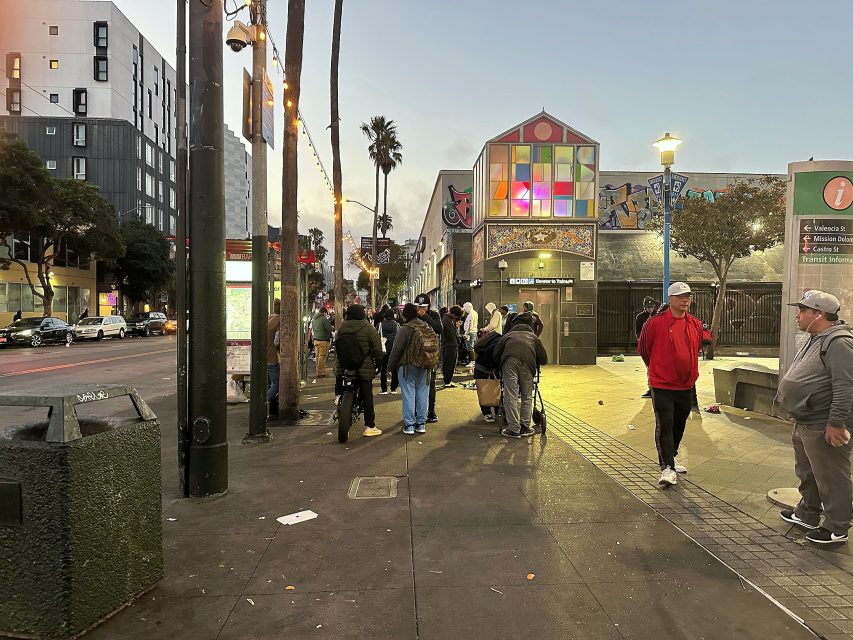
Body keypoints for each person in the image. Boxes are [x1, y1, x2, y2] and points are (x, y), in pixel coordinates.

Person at [778, 290, 853, 544]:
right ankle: (807, 512)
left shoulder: (839, 342)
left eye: (802, 311)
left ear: (819, 314)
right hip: (806, 420)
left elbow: (845, 387)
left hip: (824, 422)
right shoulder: (816, 337)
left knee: (832, 475)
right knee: (808, 471)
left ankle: (837, 526)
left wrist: (836, 424)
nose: (797, 316)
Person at [638, 282, 702, 487]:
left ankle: (671, 457)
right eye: (681, 296)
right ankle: (667, 467)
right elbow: (644, 349)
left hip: (686, 385)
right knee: (665, 425)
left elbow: (695, 347)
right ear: (670, 299)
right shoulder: (655, 323)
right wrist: (656, 369)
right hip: (662, 384)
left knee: (679, 424)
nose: (686, 300)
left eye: (688, 297)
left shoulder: (694, 324)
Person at [493, 313, 548, 438]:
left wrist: (497, 369)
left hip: (509, 363)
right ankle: (525, 426)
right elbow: (544, 359)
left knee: (511, 395)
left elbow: (496, 355)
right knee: (527, 395)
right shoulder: (534, 337)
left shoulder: (507, 336)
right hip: (528, 364)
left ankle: (514, 429)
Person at [334, 304, 384, 437]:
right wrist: (378, 364)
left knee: (340, 384)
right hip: (364, 367)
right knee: (367, 396)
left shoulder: (342, 328)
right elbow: (378, 350)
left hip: (344, 365)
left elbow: (337, 348)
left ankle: (338, 396)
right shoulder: (369, 328)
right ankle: (370, 425)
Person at [387, 303, 434, 435]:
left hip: (407, 365)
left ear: (404, 314)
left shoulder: (405, 328)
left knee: (408, 394)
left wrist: (390, 366)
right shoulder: (426, 326)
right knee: (423, 393)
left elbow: (397, 349)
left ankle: (409, 425)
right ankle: (421, 423)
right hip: (425, 365)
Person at [414, 293, 441, 423]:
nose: (420, 309)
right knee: (415, 384)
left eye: (423, 307)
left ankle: (431, 411)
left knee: (430, 384)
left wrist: (425, 316)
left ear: (428, 306)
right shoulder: (413, 316)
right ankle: (416, 411)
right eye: (418, 307)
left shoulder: (434, 315)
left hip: (430, 355)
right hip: (415, 355)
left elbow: (439, 329)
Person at [473, 329, 502, 422]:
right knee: (494, 389)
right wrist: (495, 369)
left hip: (480, 368)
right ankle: (492, 412)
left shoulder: (488, 341)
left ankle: (488, 413)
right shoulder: (498, 343)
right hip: (484, 368)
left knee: (483, 390)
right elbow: (490, 358)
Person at [635, 296, 658, 399]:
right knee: (649, 368)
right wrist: (642, 342)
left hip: (658, 346)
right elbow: (638, 331)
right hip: (647, 347)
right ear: (644, 307)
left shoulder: (658, 315)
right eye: (648, 307)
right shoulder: (640, 317)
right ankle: (651, 388)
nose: (650, 309)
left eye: (652, 307)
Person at [266, 299, 281, 420]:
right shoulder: (279, 321)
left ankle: (268, 410)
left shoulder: (269, 318)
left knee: (268, 383)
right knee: (276, 384)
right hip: (272, 357)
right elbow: (277, 341)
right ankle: (262, 404)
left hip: (263, 357)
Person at [440, 305, 463, 387]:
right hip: (450, 345)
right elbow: (450, 334)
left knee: (448, 363)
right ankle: (447, 381)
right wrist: (456, 328)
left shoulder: (446, 318)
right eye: (456, 316)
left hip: (447, 344)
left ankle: (447, 380)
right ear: (454, 314)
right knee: (450, 363)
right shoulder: (448, 320)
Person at [379, 309, 399, 395]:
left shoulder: (380, 325)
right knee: (394, 369)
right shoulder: (397, 325)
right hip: (394, 351)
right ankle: (393, 388)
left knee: (383, 369)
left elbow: (376, 336)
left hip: (384, 350)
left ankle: (384, 389)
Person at [311, 307, 334, 378]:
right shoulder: (324, 319)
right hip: (323, 340)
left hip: (316, 340)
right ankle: (320, 372)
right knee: (322, 356)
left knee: (318, 357)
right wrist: (332, 327)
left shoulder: (314, 319)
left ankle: (318, 371)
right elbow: (329, 329)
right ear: (324, 313)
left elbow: (313, 329)